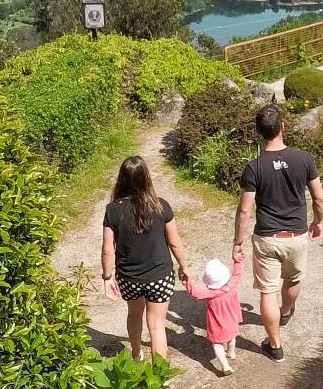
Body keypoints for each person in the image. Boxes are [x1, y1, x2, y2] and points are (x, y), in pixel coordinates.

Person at [233, 104, 323, 363]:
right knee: (294, 280)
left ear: (259, 133)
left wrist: (237, 242)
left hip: (267, 238)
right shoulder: (303, 158)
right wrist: (317, 222)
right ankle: (285, 312)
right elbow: (318, 198)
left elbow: (244, 211)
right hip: (296, 236)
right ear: (282, 127)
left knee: (267, 292)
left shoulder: (254, 167)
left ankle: (275, 346)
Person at [101, 155, 189, 360]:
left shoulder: (113, 210)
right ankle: (159, 376)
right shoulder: (161, 206)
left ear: (121, 179)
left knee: (134, 314)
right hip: (160, 276)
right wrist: (184, 266)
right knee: (157, 325)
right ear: (146, 178)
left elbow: (107, 249)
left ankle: (135, 354)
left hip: (129, 277)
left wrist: (107, 277)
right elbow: (174, 242)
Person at [181, 249, 245, 375]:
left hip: (218, 325)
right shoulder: (232, 285)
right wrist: (238, 259)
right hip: (232, 321)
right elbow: (237, 273)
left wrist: (187, 282)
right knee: (232, 337)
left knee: (217, 344)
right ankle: (231, 352)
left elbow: (196, 293)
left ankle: (225, 366)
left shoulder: (211, 294)